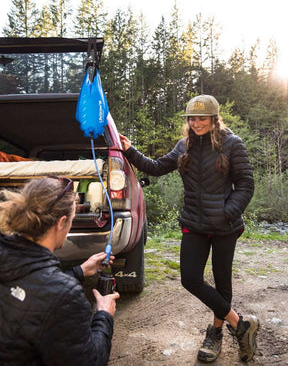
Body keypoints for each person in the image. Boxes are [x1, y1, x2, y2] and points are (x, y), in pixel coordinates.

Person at [119, 94, 259, 363]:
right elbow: (158, 167)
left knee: (222, 282)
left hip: (224, 227)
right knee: (190, 278)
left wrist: (228, 212)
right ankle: (241, 324)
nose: (196, 123)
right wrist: (130, 150)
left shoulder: (233, 144)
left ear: (214, 119)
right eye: (192, 118)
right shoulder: (184, 146)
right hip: (194, 223)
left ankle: (216, 333)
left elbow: (245, 185)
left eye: (202, 118)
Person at [0, 176, 119, 366]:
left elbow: (31, 289)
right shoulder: (66, 295)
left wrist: (79, 271)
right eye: (72, 219)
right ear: (62, 222)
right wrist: (103, 315)